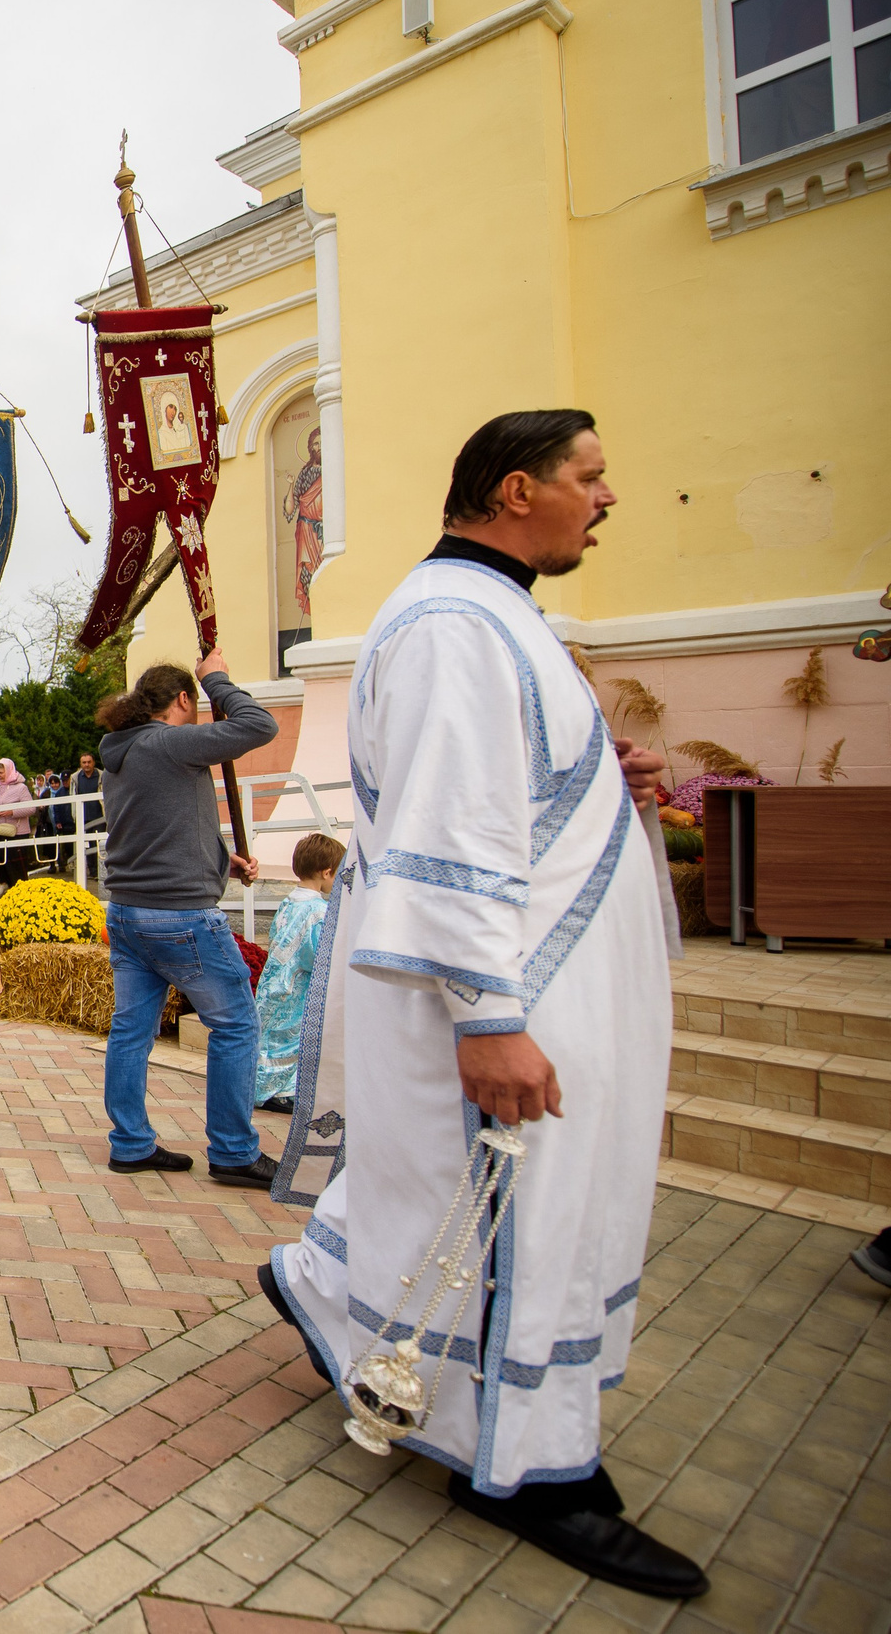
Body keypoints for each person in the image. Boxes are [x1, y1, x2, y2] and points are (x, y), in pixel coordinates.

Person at [264, 410, 706, 1598]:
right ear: (517, 490)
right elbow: (453, 830)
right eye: (589, 476)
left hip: (538, 984)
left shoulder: (493, 613)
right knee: (517, 1218)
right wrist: (488, 1018)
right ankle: (527, 1463)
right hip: (511, 998)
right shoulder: (461, 622)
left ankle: (328, 1290)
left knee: (474, 1201)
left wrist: (607, 782)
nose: (606, 497)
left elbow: (502, 793)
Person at [94, 652, 276, 1184]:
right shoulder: (170, 742)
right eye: (195, 702)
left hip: (127, 913)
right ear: (181, 701)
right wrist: (217, 676)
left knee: (130, 1032)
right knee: (237, 1025)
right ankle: (234, 1152)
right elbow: (258, 725)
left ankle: (129, 1143)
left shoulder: (122, 751)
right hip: (178, 915)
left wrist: (222, 859)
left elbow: (162, 824)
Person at [252, 833, 343, 1113]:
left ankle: (259, 1085)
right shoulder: (318, 911)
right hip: (298, 984)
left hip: (274, 980)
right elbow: (318, 954)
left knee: (269, 1035)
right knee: (291, 1038)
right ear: (327, 872)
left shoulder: (288, 901)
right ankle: (279, 1091)